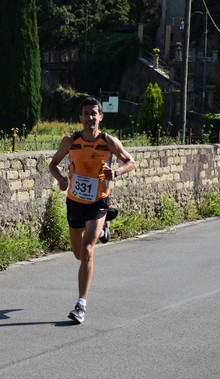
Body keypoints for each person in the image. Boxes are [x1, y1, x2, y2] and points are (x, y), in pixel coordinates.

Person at [48, 97, 137, 324]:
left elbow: (131, 162)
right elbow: (53, 164)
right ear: (80, 117)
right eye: (86, 114)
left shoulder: (109, 142)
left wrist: (115, 173)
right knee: (78, 254)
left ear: (101, 117)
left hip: (98, 201)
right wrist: (60, 179)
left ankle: (81, 305)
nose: (90, 118)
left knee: (88, 251)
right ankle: (105, 225)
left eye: (94, 114)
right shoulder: (70, 141)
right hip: (75, 201)